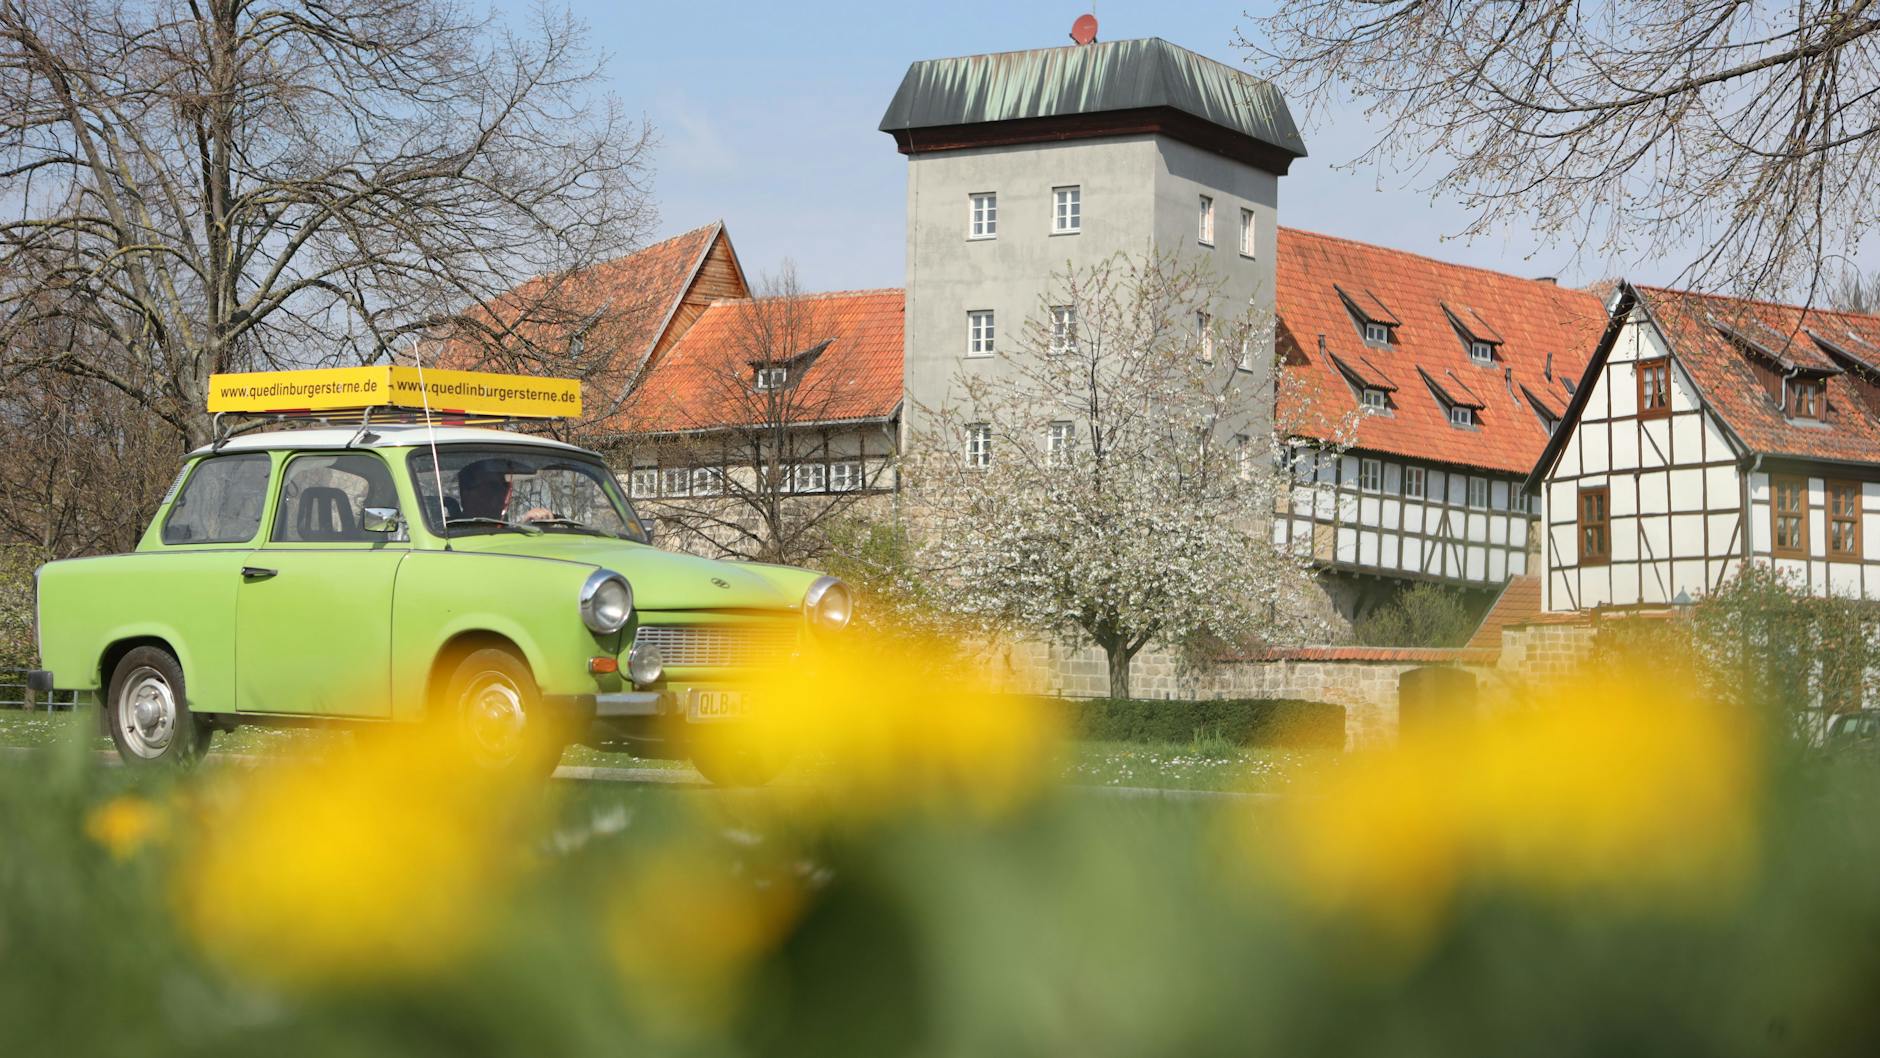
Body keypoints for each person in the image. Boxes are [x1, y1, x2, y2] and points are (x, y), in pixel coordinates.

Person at [456, 460, 552, 522]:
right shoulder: (451, 536)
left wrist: (527, 522)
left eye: (502, 487)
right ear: (466, 494)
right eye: (491, 488)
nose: (501, 495)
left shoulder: (507, 527)